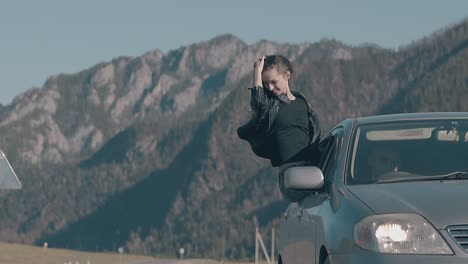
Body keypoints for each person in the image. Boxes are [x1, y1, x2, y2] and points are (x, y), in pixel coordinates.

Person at [237, 55, 321, 201]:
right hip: (291, 177)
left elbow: (315, 133)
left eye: (274, 82)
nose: (270, 87)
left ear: (287, 75)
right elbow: (258, 103)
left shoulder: (303, 103)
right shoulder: (270, 105)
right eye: (265, 83)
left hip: (315, 170)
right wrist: (257, 71)